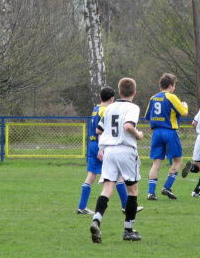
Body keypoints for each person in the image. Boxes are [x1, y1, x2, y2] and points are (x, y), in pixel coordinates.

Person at [89, 77, 143, 243]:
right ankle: (128, 230)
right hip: (125, 149)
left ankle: (96, 220)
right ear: (134, 92)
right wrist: (138, 134)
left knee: (107, 189)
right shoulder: (133, 107)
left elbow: (99, 130)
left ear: (119, 92)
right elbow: (128, 126)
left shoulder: (109, 108)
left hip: (109, 151)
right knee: (132, 191)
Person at [77, 86, 143, 215]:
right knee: (117, 177)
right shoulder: (106, 110)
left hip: (92, 144)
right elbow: (101, 131)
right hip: (102, 146)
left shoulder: (96, 109)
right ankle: (126, 205)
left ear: (101, 97)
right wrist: (101, 149)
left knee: (91, 176)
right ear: (112, 98)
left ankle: (82, 206)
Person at [144, 73, 188, 200]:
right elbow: (184, 112)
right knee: (178, 160)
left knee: (156, 163)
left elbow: (147, 116)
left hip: (156, 132)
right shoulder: (171, 97)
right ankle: (167, 187)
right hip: (169, 131)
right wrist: (185, 106)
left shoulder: (153, 98)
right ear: (170, 86)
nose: (174, 88)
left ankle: (151, 193)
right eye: (174, 86)